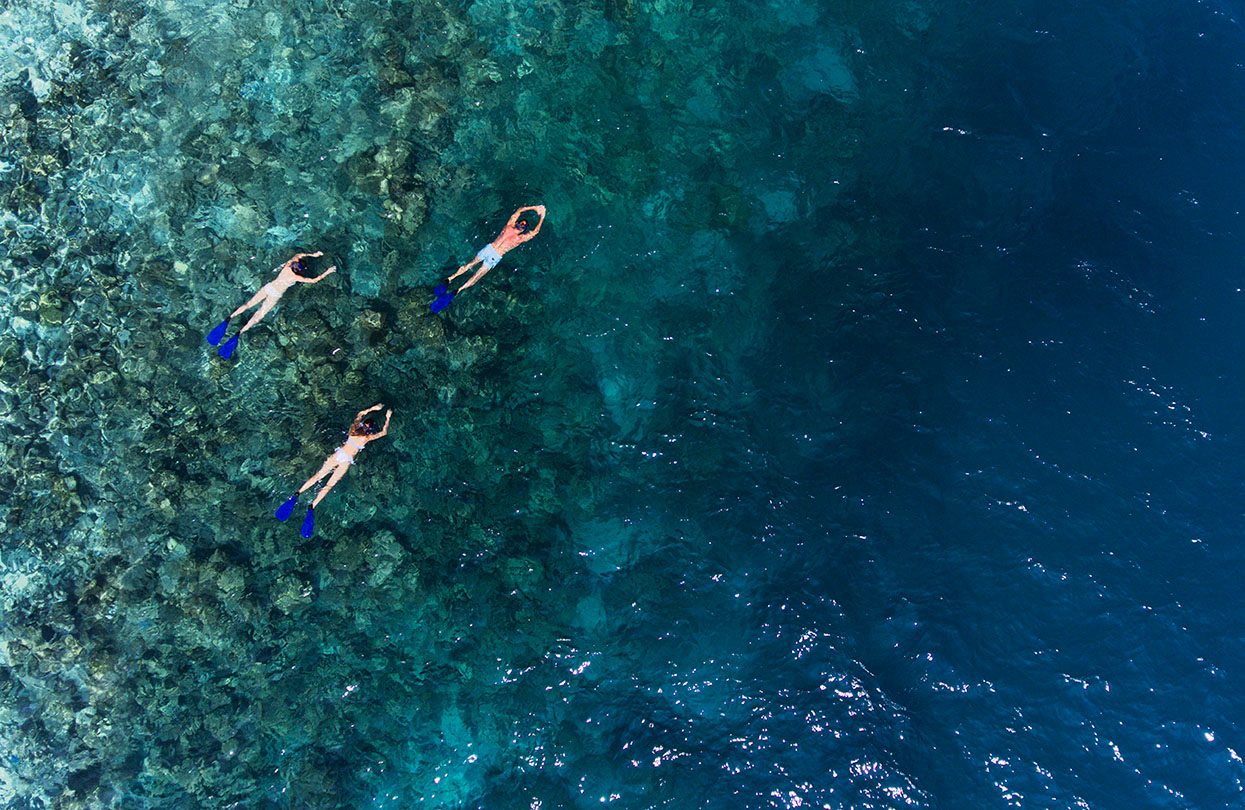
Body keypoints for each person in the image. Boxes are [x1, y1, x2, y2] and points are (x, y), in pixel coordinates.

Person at [274, 404, 393, 538]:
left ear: (362, 425)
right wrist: (387, 418)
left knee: (317, 476)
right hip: (346, 461)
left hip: (338, 455)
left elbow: (360, 413)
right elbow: (384, 433)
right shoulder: (366, 438)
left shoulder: (353, 430)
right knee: (328, 486)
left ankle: (296, 494)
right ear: (369, 430)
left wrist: (372, 409)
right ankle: (312, 506)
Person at [207, 251, 337, 358]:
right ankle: (238, 333)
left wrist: (313, 254)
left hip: (268, 287)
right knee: (258, 316)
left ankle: (228, 319)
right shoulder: (296, 277)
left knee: (248, 305)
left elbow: (299, 254)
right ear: (300, 271)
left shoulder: (288, 265)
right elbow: (314, 280)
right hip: (275, 295)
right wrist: (328, 271)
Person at [432, 205, 546, 311]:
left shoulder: (509, 226)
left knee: (469, 264)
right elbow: (535, 231)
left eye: (522, 224)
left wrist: (534, 208)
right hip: (495, 255)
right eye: (522, 224)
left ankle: (450, 279)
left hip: (489, 248)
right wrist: (542, 216)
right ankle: (457, 291)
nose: (521, 225)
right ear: (523, 229)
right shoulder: (519, 239)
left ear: (518, 223)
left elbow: (519, 210)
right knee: (476, 276)